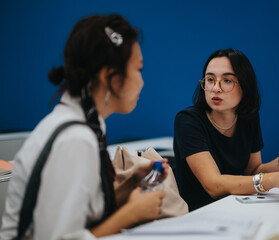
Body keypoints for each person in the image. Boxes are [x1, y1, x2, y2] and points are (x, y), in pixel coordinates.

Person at [0, 14, 167, 239]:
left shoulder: (81, 126)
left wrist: (130, 182)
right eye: (138, 69)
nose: (142, 81)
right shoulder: (75, 139)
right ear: (109, 76)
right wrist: (131, 214)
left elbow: (84, 215)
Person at [173, 48, 279, 211]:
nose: (216, 88)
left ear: (245, 86)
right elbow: (213, 186)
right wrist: (272, 180)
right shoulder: (188, 121)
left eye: (227, 80)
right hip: (195, 213)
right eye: (210, 79)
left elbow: (253, 170)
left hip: (234, 208)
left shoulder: (248, 118)